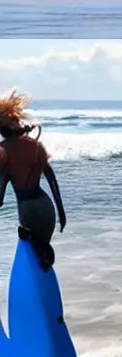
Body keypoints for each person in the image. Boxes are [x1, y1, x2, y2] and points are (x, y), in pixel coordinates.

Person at [0, 89, 65, 271]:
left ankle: (31, 238)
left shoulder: (3, 152)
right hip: (46, 207)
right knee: (41, 250)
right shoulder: (35, 147)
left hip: (27, 208)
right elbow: (52, 180)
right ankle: (44, 254)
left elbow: (0, 196)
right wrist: (61, 212)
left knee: (34, 248)